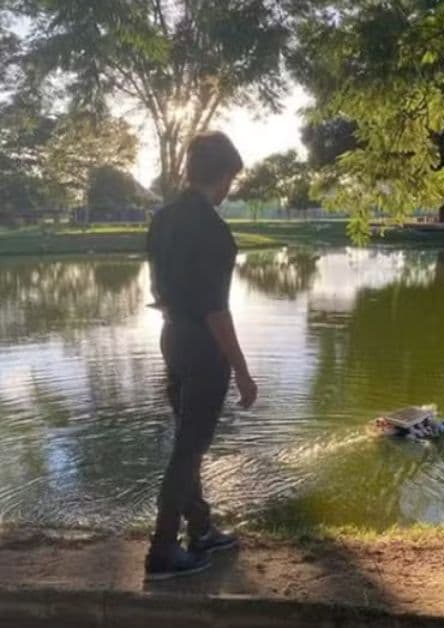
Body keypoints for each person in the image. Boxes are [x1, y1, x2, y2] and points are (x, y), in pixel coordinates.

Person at [143, 131, 258, 580]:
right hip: (203, 347)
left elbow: (158, 289)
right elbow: (217, 311)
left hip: (171, 336)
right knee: (188, 451)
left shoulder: (163, 218)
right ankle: (162, 551)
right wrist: (244, 373)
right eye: (231, 178)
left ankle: (202, 529)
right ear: (225, 175)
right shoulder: (214, 231)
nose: (230, 188)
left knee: (186, 442)